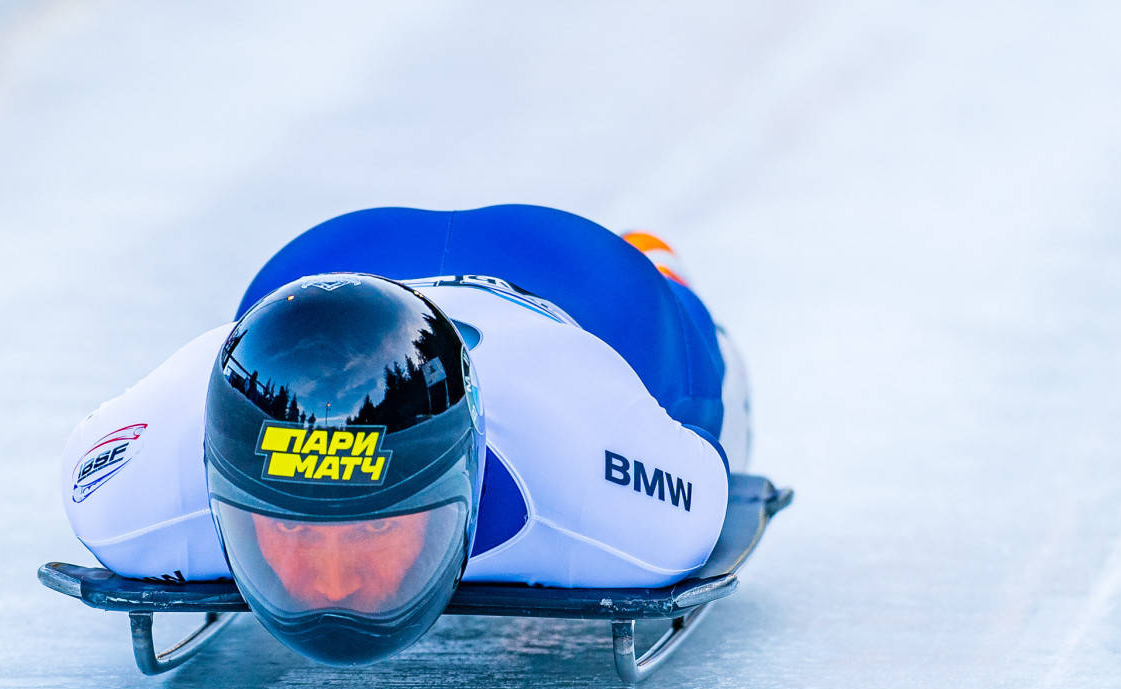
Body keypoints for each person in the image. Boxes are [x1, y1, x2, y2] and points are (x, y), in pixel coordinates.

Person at [58, 204, 751, 665]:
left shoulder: (620, 509)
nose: (331, 588)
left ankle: (655, 259)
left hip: (587, 283)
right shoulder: (131, 491)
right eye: (292, 533)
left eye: (370, 535)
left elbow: (706, 472)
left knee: (703, 371)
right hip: (313, 283)